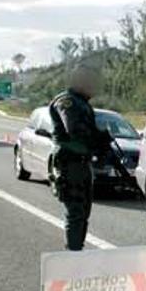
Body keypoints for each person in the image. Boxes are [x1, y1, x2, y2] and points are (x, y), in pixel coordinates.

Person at [48, 64, 111, 251]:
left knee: (83, 212)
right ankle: (73, 252)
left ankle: (77, 248)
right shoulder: (67, 101)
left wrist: (101, 140)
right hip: (70, 163)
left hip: (82, 164)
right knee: (75, 212)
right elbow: (74, 130)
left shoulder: (82, 102)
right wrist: (97, 138)